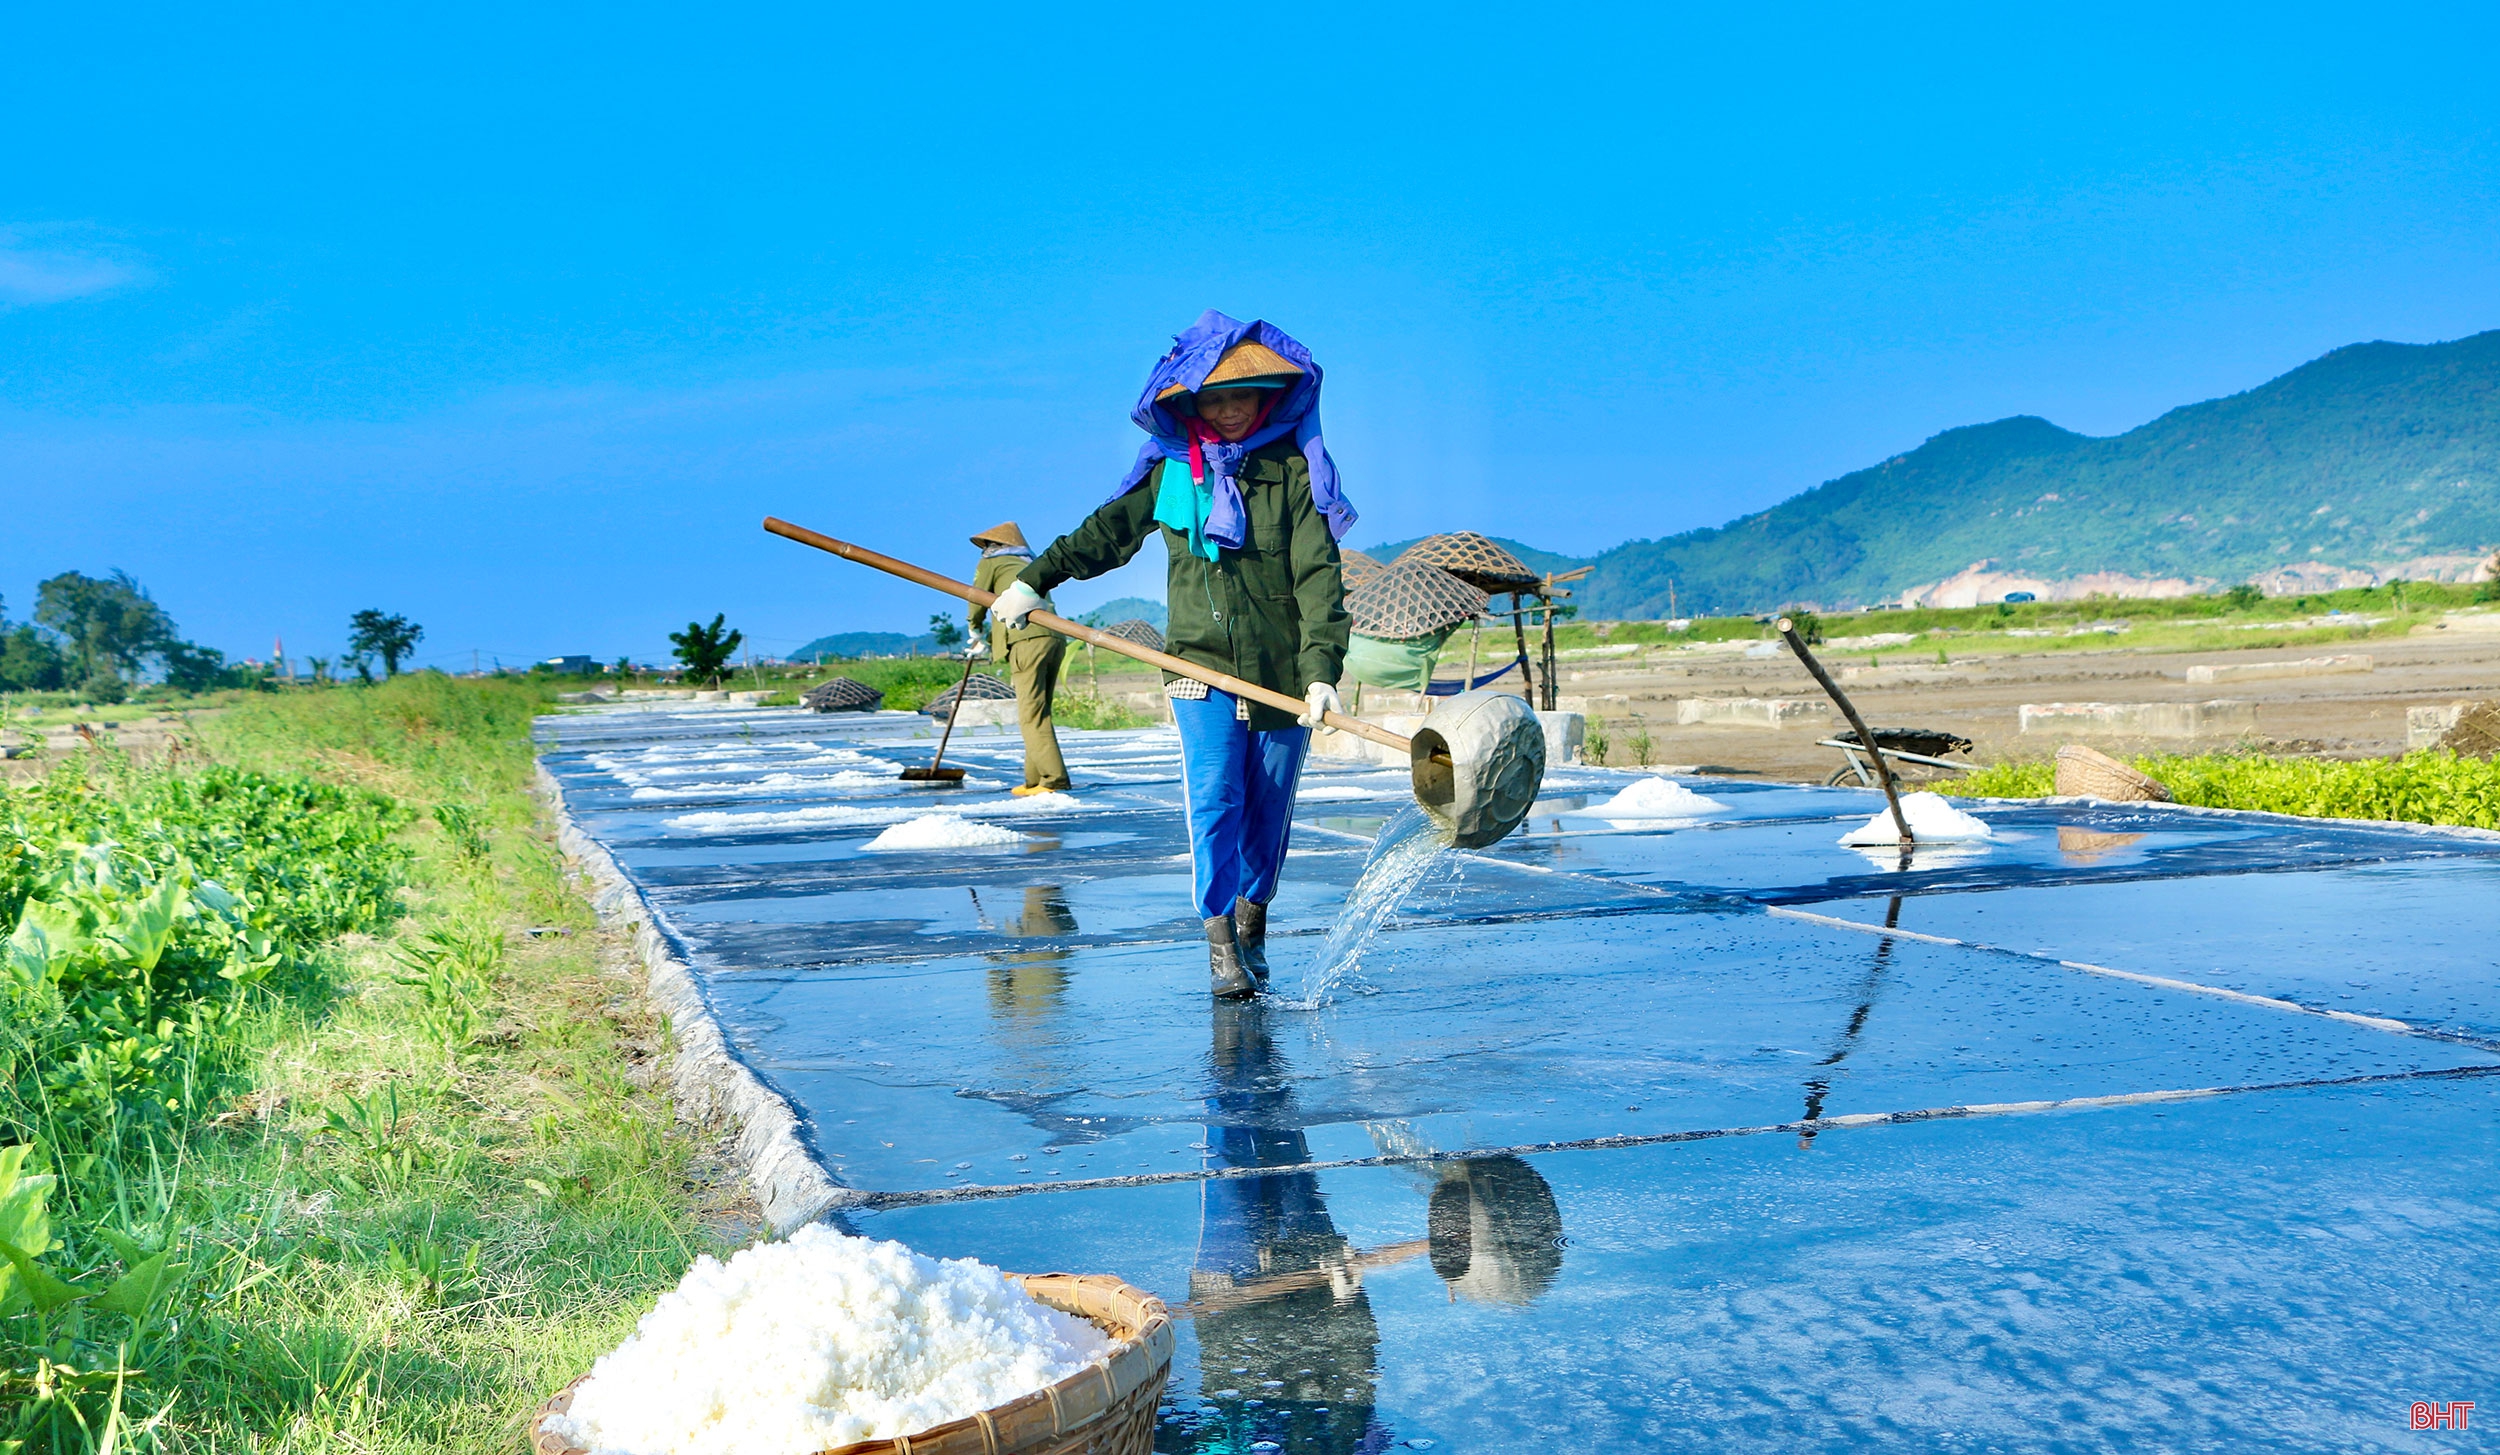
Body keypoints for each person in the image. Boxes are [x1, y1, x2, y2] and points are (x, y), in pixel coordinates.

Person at [990, 311, 1355, 998]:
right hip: (1199, 666)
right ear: (1190, 404)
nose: (1229, 409)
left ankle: (1254, 919)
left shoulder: (1294, 471)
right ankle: (1220, 942)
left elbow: (1316, 574)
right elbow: (1105, 534)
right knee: (1215, 798)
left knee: (1269, 807)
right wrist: (1035, 578)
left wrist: (1321, 672)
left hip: (1282, 671)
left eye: (1241, 396)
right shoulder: (1169, 473)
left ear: (1267, 396)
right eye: (1213, 398)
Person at [965, 521, 1072, 796]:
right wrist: (989, 639)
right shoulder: (1031, 563)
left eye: (987, 546)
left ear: (996, 546)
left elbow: (977, 598)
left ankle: (1053, 779)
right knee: (1039, 711)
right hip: (1055, 636)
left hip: (1026, 640)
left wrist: (974, 628)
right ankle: (1033, 780)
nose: (984, 551)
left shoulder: (993, 563)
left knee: (1031, 715)